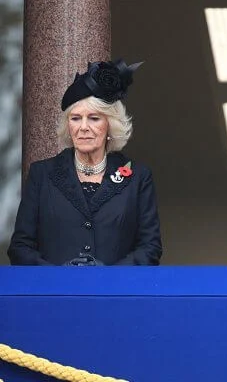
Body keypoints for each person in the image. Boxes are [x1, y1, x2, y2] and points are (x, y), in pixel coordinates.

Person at [8, 59, 163, 265]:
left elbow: (150, 247)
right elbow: (20, 248)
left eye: (94, 118)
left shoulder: (138, 178)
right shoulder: (42, 174)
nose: (83, 127)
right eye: (75, 118)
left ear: (110, 125)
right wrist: (59, 276)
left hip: (114, 294)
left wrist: (107, 277)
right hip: (55, 294)